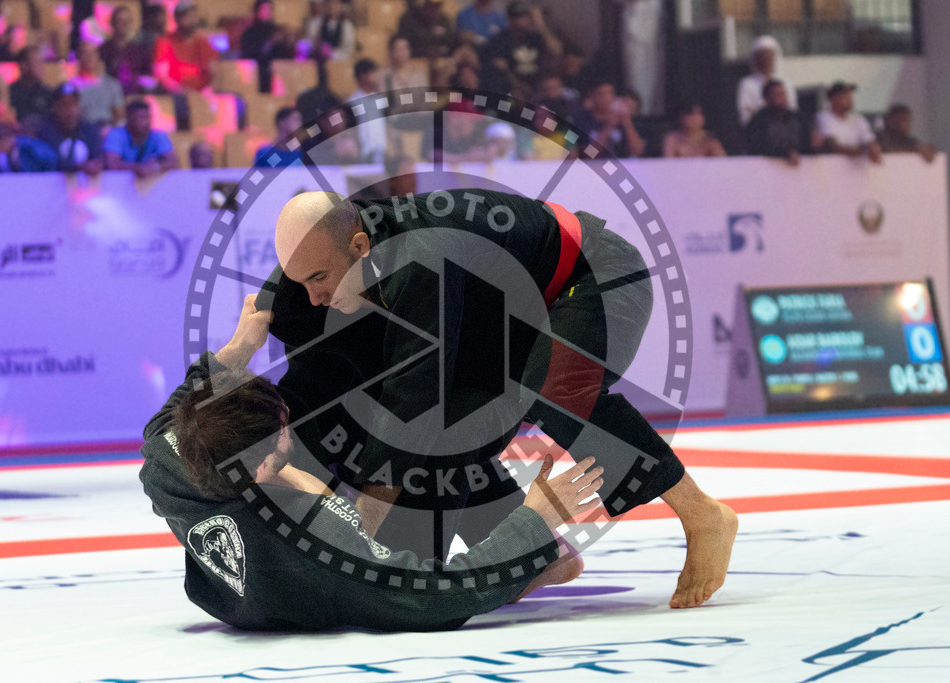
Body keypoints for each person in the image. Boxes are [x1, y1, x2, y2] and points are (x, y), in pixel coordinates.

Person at [272, 190, 739, 610]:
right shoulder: (320, 255)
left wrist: (362, 530)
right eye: (301, 282)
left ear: (359, 246)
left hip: (595, 275)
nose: (314, 297)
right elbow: (302, 351)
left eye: (319, 278)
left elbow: (413, 398)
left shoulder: (421, 257)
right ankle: (537, 558)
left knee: (553, 389)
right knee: (443, 424)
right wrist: (238, 356)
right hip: (510, 319)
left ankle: (702, 514)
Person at [140, 293, 599, 632]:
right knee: (441, 431)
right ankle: (535, 564)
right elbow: (439, 595)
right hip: (316, 578)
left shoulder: (168, 462)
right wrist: (533, 521)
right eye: (283, 431)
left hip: (247, 576)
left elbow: (176, 413)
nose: (290, 427)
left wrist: (240, 347)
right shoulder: (323, 541)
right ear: (262, 470)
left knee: (339, 392)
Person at [481, 0, 562, 99]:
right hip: (513, 89)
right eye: (517, 17)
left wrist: (540, 25)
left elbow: (556, 51)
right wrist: (519, 85)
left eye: (524, 16)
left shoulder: (535, 37)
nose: (520, 21)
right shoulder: (500, 40)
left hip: (538, 86)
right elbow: (501, 68)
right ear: (509, 19)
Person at [34, 82, 104, 174]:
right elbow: (49, 161)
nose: (70, 110)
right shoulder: (45, 130)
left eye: (74, 104)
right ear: (55, 107)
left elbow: (97, 158)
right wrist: (78, 167)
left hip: (86, 186)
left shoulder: (90, 129)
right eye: (64, 105)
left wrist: (95, 165)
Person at [153, 2, 218, 95]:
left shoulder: (204, 42)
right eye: (185, 15)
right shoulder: (164, 41)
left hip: (202, 95)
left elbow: (213, 72)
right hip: (174, 94)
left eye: (192, 15)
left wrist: (207, 91)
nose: (190, 19)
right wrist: (181, 90)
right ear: (176, 18)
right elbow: (162, 75)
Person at [104, 99, 178, 176]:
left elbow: (174, 163)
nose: (147, 121)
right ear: (129, 119)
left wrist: (155, 167)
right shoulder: (116, 135)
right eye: (142, 117)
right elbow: (112, 165)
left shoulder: (158, 135)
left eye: (148, 117)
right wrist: (138, 168)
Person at [812, 81, 881, 164]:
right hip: (831, 170)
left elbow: (870, 141)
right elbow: (833, 146)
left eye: (850, 94)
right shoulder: (823, 117)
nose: (849, 98)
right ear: (832, 99)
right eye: (844, 95)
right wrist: (862, 151)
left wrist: (873, 147)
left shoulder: (858, 119)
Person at [736, 35, 797, 127]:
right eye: (761, 55)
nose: (765, 59)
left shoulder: (786, 83)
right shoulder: (746, 84)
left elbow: (792, 109)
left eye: (769, 55)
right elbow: (745, 115)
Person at [574, 81, 645, 158]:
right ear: (592, 97)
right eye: (601, 94)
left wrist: (626, 121)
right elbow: (589, 154)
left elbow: (638, 151)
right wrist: (608, 127)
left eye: (610, 94)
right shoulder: (583, 121)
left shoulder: (623, 120)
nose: (606, 99)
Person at [240, 0, 297, 93]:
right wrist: (270, 43)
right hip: (258, 76)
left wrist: (289, 44)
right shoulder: (249, 34)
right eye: (264, 9)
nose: (268, 12)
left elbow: (286, 57)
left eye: (270, 9)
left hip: (280, 75)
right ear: (257, 11)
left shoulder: (278, 31)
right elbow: (248, 57)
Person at [745, 79, 804, 166]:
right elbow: (760, 147)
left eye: (783, 94)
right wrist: (785, 153)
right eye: (777, 95)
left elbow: (805, 142)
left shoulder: (797, 118)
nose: (782, 98)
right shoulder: (759, 121)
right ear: (766, 99)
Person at [72, 41, 125, 129]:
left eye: (93, 53)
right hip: (84, 131)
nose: (89, 57)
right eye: (85, 53)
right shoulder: (72, 86)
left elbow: (120, 116)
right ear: (78, 56)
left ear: (98, 56)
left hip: (108, 130)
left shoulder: (112, 84)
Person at [122, 2, 167, 93]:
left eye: (162, 15)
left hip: (161, 79)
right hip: (143, 79)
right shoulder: (141, 39)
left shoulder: (167, 38)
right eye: (157, 15)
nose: (161, 18)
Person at [348, 59, 385, 164]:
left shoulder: (381, 101)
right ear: (362, 76)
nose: (377, 77)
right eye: (373, 73)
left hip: (381, 150)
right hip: (362, 152)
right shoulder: (353, 102)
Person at [9, 46, 53, 134]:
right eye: (36, 62)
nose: (41, 66)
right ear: (23, 65)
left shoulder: (47, 92)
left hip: (43, 138)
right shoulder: (10, 91)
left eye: (41, 62)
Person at [99, 5, 135, 88]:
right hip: (109, 91)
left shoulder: (139, 50)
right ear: (113, 23)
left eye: (127, 21)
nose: (125, 24)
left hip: (134, 93)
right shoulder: (104, 49)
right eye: (121, 21)